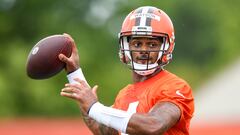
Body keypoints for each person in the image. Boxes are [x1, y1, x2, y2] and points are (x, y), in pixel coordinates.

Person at [58, 6, 194, 135]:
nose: (143, 50)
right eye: (137, 44)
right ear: (124, 46)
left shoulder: (175, 86)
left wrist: (94, 107)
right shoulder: (124, 94)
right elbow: (103, 130)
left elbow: (154, 125)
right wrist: (75, 73)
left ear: (166, 47)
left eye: (152, 44)